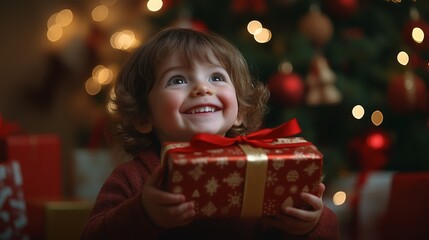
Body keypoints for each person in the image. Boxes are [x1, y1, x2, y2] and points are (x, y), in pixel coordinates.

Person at [81, 27, 339, 240]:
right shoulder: (133, 178)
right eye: (178, 80)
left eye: (216, 77)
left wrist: (310, 225)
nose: (203, 88)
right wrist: (144, 212)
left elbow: (329, 234)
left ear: (240, 110)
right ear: (142, 117)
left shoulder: (261, 170)